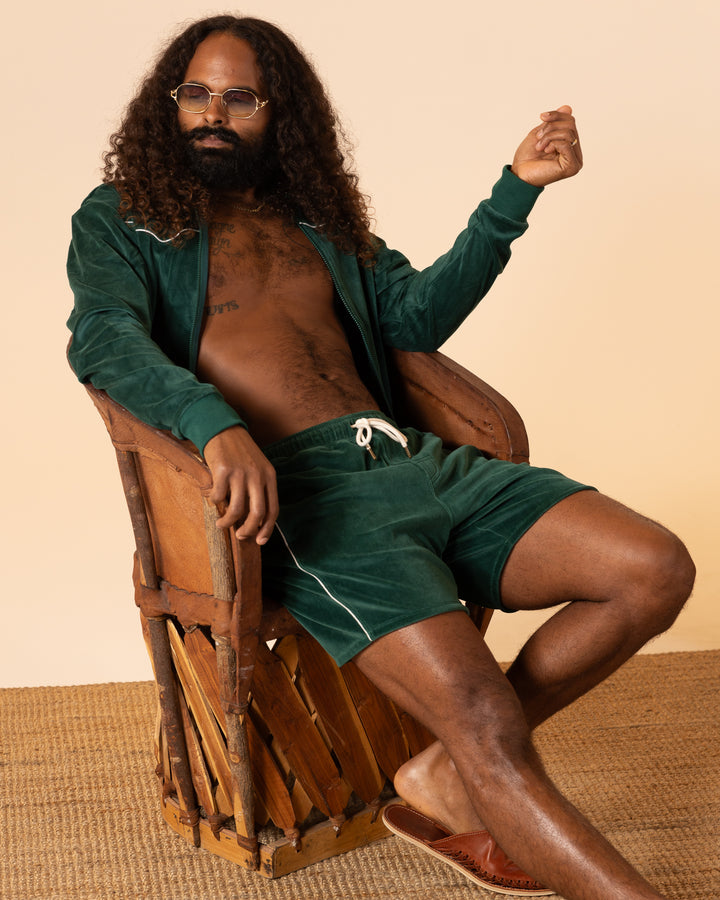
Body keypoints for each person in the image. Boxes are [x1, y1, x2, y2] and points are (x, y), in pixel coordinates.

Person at [67, 15, 695, 899]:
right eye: (194, 93)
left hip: (416, 462)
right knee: (487, 718)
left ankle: (443, 771)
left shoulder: (318, 217)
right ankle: (489, 768)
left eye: (238, 96)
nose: (212, 113)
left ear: (277, 111)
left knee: (654, 568)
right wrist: (213, 422)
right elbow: (102, 337)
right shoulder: (124, 217)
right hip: (307, 499)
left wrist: (513, 192)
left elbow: (413, 321)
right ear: (169, 103)